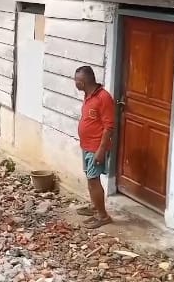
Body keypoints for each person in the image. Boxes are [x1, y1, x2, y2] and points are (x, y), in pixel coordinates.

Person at [74, 66, 115, 229]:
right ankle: (95, 208)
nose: (75, 83)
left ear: (83, 82)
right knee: (90, 179)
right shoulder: (89, 96)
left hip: (95, 147)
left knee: (93, 180)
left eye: (77, 80)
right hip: (86, 145)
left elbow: (109, 127)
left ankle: (103, 216)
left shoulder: (103, 98)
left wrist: (101, 150)